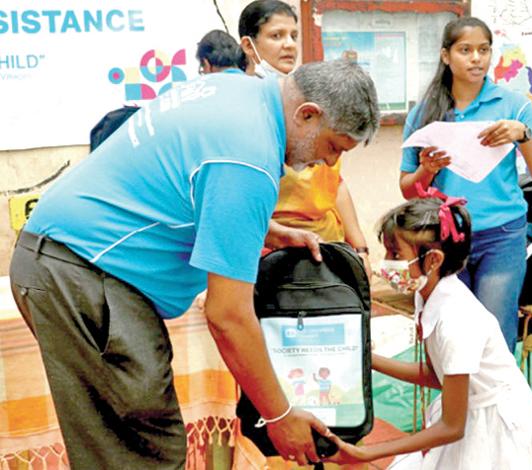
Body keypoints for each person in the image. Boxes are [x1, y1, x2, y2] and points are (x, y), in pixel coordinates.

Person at [9, 59, 379, 469]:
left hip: (74, 260)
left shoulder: (238, 91)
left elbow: (182, 177)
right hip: (82, 270)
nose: (329, 164)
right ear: (307, 114)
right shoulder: (248, 157)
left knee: (134, 444)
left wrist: (263, 228)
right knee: (141, 451)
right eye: (334, 147)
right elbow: (228, 315)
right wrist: (279, 415)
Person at [327, 196, 532, 469]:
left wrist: (370, 453)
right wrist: (367, 359)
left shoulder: (456, 320)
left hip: (495, 426)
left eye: (396, 254)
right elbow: (437, 374)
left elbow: (451, 426)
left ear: (433, 260)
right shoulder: (426, 294)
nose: (386, 263)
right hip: (469, 416)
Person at [400, 16, 532, 353]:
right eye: (465, 50)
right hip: (445, 240)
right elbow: (407, 190)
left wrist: (523, 136)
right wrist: (426, 170)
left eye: (483, 50)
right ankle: (455, 408)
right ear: (446, 56)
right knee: (449, 339)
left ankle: (497, 407)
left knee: (496, 339)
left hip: (502, 236)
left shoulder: (514, 106)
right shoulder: (425, 112)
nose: (476, 58)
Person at [239, 0, 372, 274]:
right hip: (266, 249)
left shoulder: (324, 102)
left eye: (294, 36)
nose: (289, 44)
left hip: (322, 243)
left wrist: (359, 248)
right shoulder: (246, 118)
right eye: (276, 35)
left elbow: (336, 184)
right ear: (248, 45)